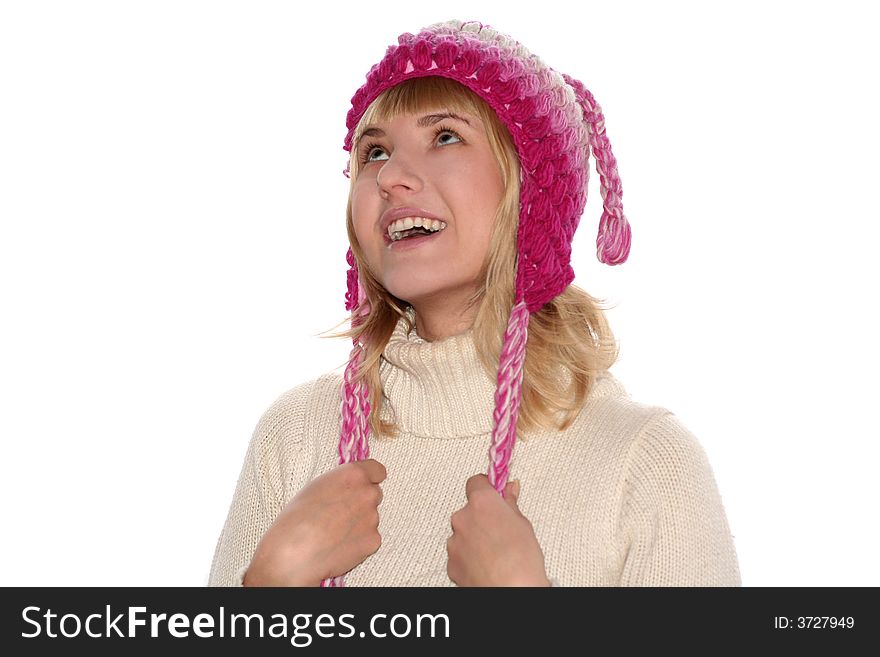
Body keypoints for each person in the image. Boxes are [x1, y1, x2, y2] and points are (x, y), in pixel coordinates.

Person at [207, 19, 741, 587]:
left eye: (444, 137)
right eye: (375, 151)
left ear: (531, 190)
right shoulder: (295, 438)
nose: (390, 178)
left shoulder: (644, 463)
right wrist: (269, 584)